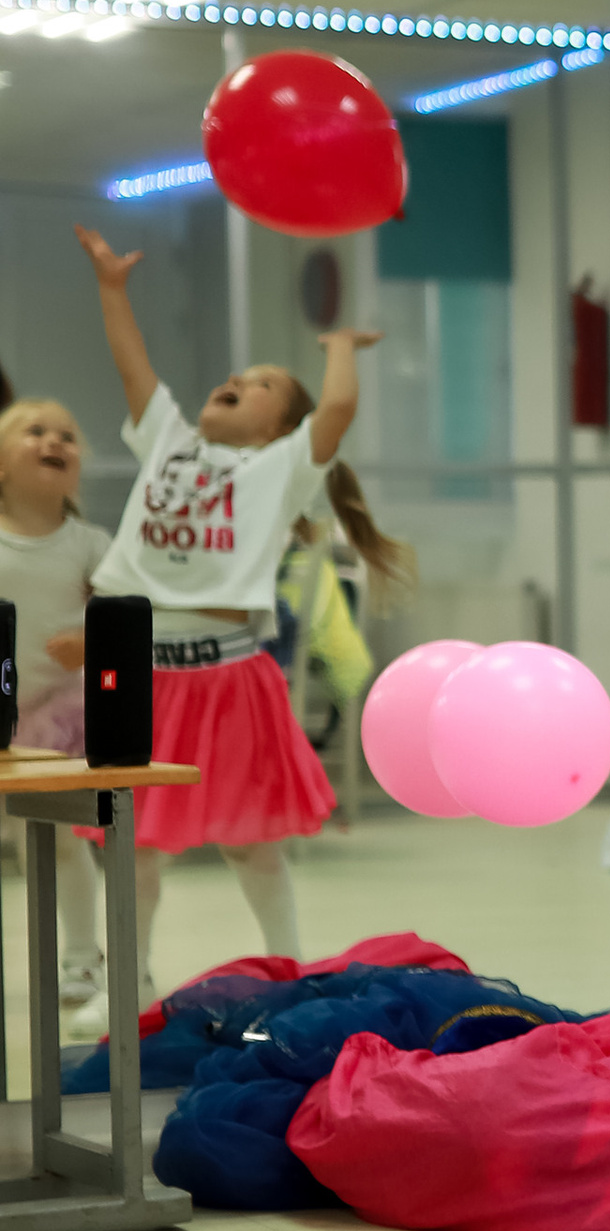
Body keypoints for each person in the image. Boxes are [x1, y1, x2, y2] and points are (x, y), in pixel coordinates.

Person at [74, 223, 411, 985]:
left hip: (230, 679)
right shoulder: (169, 439)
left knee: (253, 844)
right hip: (142, 674)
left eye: (261, 383)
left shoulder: (282, 468)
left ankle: (289, 970)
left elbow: (336, 415)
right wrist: (111, 289)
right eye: (240, 373)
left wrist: (338, 350)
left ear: (280, 428)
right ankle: (129, 977)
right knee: (135, 842)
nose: (238, 380)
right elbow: (133, 367)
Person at [0, 397, 117, 1035]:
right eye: (35, 431)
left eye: (67, 435)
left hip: (55, 717)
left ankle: (79, 958)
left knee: (57, 843)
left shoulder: (89, 544)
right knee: (21, 845)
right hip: (1, 710)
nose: (54, 440)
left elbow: (124, 626)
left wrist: (91, 641)